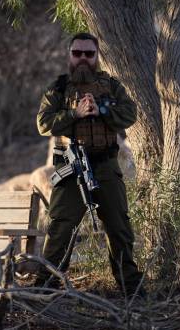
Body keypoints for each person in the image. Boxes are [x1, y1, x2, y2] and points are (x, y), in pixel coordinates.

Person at [34, 32, 144, 297]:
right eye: (77, 53)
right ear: (69, 55)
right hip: (71, 167)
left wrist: (102, 110)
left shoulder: (112, 86)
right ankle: (46, 286)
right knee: (60, 228)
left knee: (119, 227)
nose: (83, 58)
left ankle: (131, 289)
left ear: (96, 57)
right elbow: (43, 124)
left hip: (105, 165)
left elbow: (130, 113)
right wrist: (75, 113)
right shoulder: (58, 89)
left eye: (88, 54)